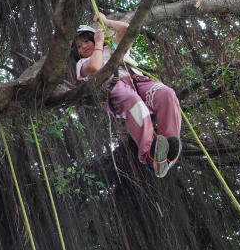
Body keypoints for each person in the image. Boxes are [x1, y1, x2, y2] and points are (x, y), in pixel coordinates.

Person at [72, 12, 182, 177]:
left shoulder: (113, 47)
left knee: (167, 94)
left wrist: (107, 22)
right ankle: (150, 157)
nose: (83, 47)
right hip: (114, 88)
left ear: (92, 37)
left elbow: (127, 30)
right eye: (79, 47)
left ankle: (168, 149)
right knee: (134, 102)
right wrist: (98, 45)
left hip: (138, 81)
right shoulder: (82, 64)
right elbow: (95, 67)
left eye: (86, 41)